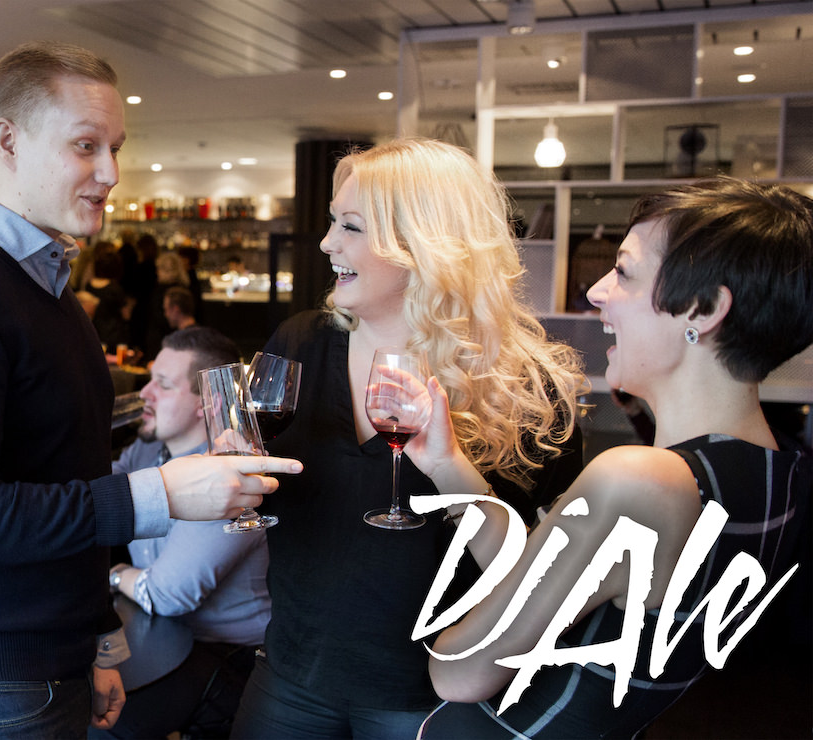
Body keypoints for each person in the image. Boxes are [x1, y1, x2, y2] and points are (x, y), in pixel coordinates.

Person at [0, 41, 298, 740]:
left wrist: (100, 641)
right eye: (85, 146)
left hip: (48, 661)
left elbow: (66, 475)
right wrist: (160, 496)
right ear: (8, 141)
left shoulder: (51, 293)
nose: (111, 173)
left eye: (115, 148)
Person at [415, 178, 813, 738]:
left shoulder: (637, 480)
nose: (598, 291)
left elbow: (458, 672)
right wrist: (446, 463)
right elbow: (555, 576)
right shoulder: (779, 470)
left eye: (624, 272)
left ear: (702, 308)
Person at [230, 138, 586, 739]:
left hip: (432, 700)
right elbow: (263, 487)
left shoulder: (524, 390)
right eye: (332, 223)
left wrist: (449, 468)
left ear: (424, 244)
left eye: (351, 226)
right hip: (293, 675)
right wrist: (236, 475)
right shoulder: (301, 343)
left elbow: (539, 582)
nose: (327, 243)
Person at [99, 326, 269, 740]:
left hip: (228, 656)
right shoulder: (147, 449)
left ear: (207, 402)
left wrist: (115, 575)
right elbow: (95, 496)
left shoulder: (233, 473)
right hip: (158, 633)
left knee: (102, 723)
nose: (144, 394)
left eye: (163, 384)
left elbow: (166, 595)